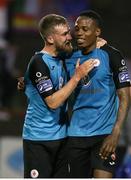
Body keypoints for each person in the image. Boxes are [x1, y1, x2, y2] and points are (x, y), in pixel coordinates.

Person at [21, 13, 95, 178]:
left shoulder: (63, 56)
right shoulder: (38, 62)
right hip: (38, 140)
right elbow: (53, 102)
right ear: (50, 39)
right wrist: (77, 77)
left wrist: (98, 44)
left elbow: (85, 50)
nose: (70, 37)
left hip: (62, 138)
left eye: (68, 32)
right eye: (64, 34)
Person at [65, 10, 131, 178]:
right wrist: (26, 81)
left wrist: (116, 132)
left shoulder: (112, 55)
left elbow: (125, 96)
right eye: (77, 28)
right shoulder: (69, 56)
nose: (79, 32)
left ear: (97, 32)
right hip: (76, 135)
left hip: (104, 135)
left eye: (85, 29)